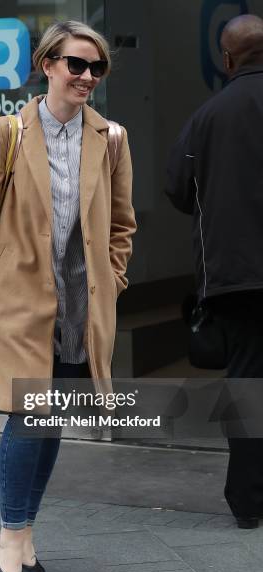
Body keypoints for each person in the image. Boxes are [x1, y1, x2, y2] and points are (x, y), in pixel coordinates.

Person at [0, 20, 136, 572]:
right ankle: (10, 534)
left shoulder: (113, 139)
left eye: (96, 68)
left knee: (50, 421)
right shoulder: (9, 132)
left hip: (81, 305)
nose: (87, 77)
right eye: (76, 64)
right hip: (18, 304)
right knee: (28, 416)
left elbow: (123, 224)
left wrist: (113, 280)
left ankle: (24, 538)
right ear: (47, 64)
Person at [166, 14, 263, 529]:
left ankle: (248, 501)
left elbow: (177, 188)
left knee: (248, 386)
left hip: (237, 278)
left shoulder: (207, 116)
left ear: (226, 60)